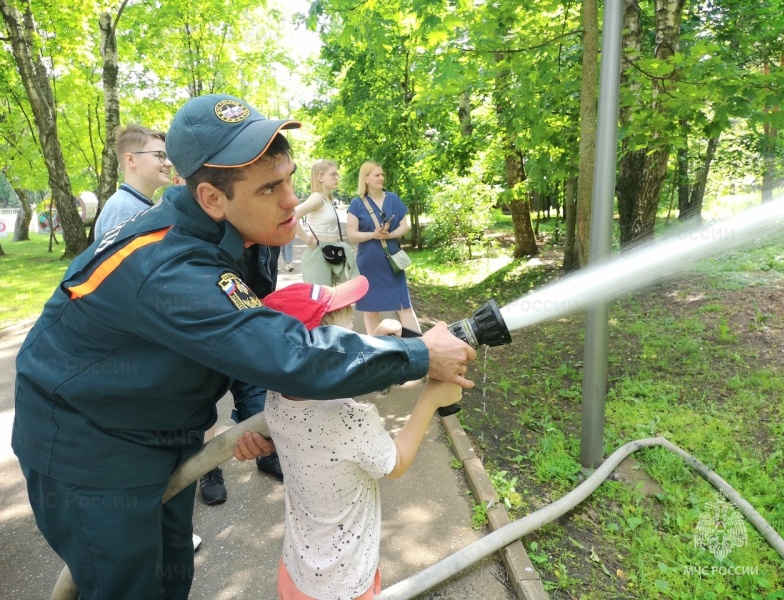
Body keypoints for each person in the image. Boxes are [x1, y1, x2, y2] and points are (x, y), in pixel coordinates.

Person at [13, 93, 476, 600]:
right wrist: (418, 355)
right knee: (127, 586)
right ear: (212, 198)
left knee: (169, 576)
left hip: (156, 430)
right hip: (91, 449)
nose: (290, 201)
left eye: (291, 178)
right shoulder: (171, 267)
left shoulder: (238, 235)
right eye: (271, 188)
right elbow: (287, 351)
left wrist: (264, 419)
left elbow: (242, 337)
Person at [235, 275, 463, 600]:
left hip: (297, 572)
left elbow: (325, 378)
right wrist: (431, 398)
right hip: (346, 584)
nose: (355, 343)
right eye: (347, 337)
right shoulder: (351, 419)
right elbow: (395, 464)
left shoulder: (276, 396)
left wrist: (379, 346)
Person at [347, 161, 420, 335]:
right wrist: (373, 235)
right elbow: (352, 235)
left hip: (393, 261)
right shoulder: (356, 204)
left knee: (404, 306)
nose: (381, 178)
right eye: (377, 175)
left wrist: (389, 235)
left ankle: (420, 345)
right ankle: (376, 347)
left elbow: (404, 227)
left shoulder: (393, 198)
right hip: (369, 264)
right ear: (366, 178)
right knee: (371, 310)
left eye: (382, 174)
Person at [94, 124, 173, 238]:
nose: (169, 164)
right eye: (160, 155)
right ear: (131, 160)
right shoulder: (122, 209)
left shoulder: (135, 205)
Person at [294, 159, 357, 286]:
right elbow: (292, 216)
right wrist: (307, 240)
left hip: (331, 254)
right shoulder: (317, 198)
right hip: (318, 255)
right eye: (333, 174)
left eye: (337, 174)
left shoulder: (328, 199)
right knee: (320, 301)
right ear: (320, 177)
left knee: (333, 300)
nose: (336, 178)